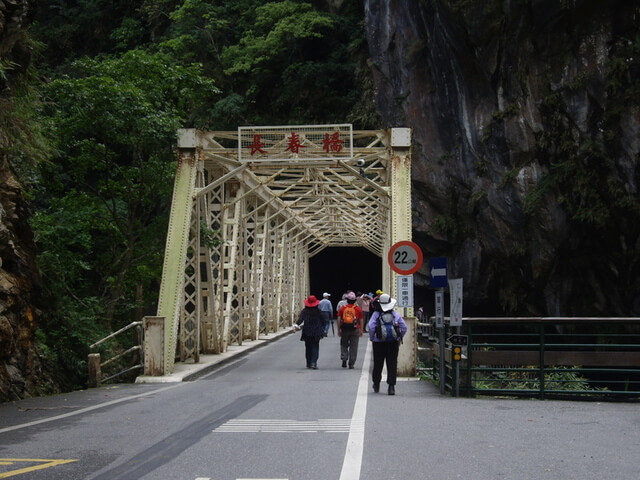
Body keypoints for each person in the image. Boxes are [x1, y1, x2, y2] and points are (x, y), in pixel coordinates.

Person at [368, 293, 407, 395]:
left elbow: (371, 327)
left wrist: (373, 337)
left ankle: (376, 384)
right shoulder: (395, 314)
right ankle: (391, 387)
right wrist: (398, 337)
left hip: (378, 343)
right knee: (392, 364)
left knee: (378, 364)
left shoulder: (376, 314)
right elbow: (404, 327)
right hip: (393, 343)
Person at [292, 295, 325, 369]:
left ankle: (308, 362)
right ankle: (314, 363)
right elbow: (323, 320)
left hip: (307, 331)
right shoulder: (318, 311)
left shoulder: (305, 311)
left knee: (308, 347)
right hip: (316, 331)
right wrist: (322, 327)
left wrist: (295, 326)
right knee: (315, 346)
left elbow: (300, 320)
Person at [337, 291, 364, 369]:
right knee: (354, 346)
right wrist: (361, 330)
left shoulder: (342, 308)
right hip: (355, 329)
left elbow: (339, 319)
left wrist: (339, 329)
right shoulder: (358, 309)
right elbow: (361, 320)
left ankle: (344, 359)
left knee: (344, 344)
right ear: (355, 300)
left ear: (347, 300)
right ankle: (351, 363)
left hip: (344, 329)